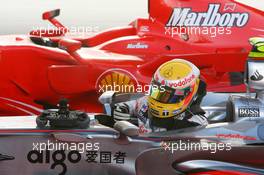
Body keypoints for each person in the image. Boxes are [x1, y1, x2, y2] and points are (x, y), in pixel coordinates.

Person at [113, 59, 208, 133]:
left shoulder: (197, 123)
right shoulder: (145, 103)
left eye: (169, 97)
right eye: (158, 92)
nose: (161, 100)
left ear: (188, 94)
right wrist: (122, 109)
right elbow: (131, 105)